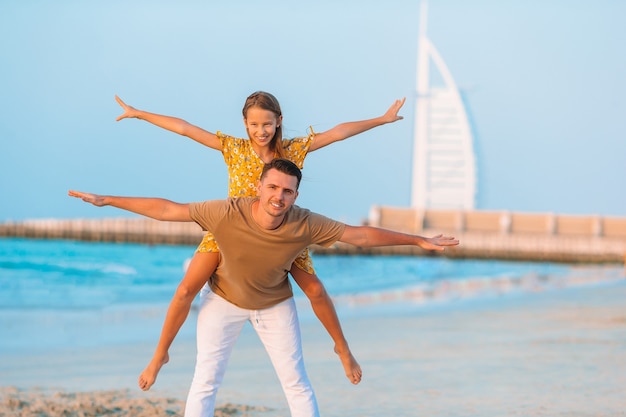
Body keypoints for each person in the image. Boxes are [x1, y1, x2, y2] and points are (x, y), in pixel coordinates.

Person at [69, 158, 459, 417]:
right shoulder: (227, 212)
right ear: (259, 186)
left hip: (274, 305)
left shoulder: (305, 222)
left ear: (295, 196)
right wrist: (108, 200)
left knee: (296, 381)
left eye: (287, 191)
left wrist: (417, 240)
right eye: (273, 187)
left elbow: (360, 237)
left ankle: (342, 349)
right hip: (223, 301)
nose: (279, 197)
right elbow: (169, 209)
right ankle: (160, 355)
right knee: (206, 378)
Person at [114, 91, 406, 387]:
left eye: (266, 124)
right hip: (231, 234)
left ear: (279, 122)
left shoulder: (294, 150)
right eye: (253, 125)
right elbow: (186, 129)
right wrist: (140, 114)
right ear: (245, 124)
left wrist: (382, 120)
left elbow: (338, 133)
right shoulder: (234, 148)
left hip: (282, 236)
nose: (260, 131)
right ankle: (160, 355)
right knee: (186, 289)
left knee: (316, 290)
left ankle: (342, 348)